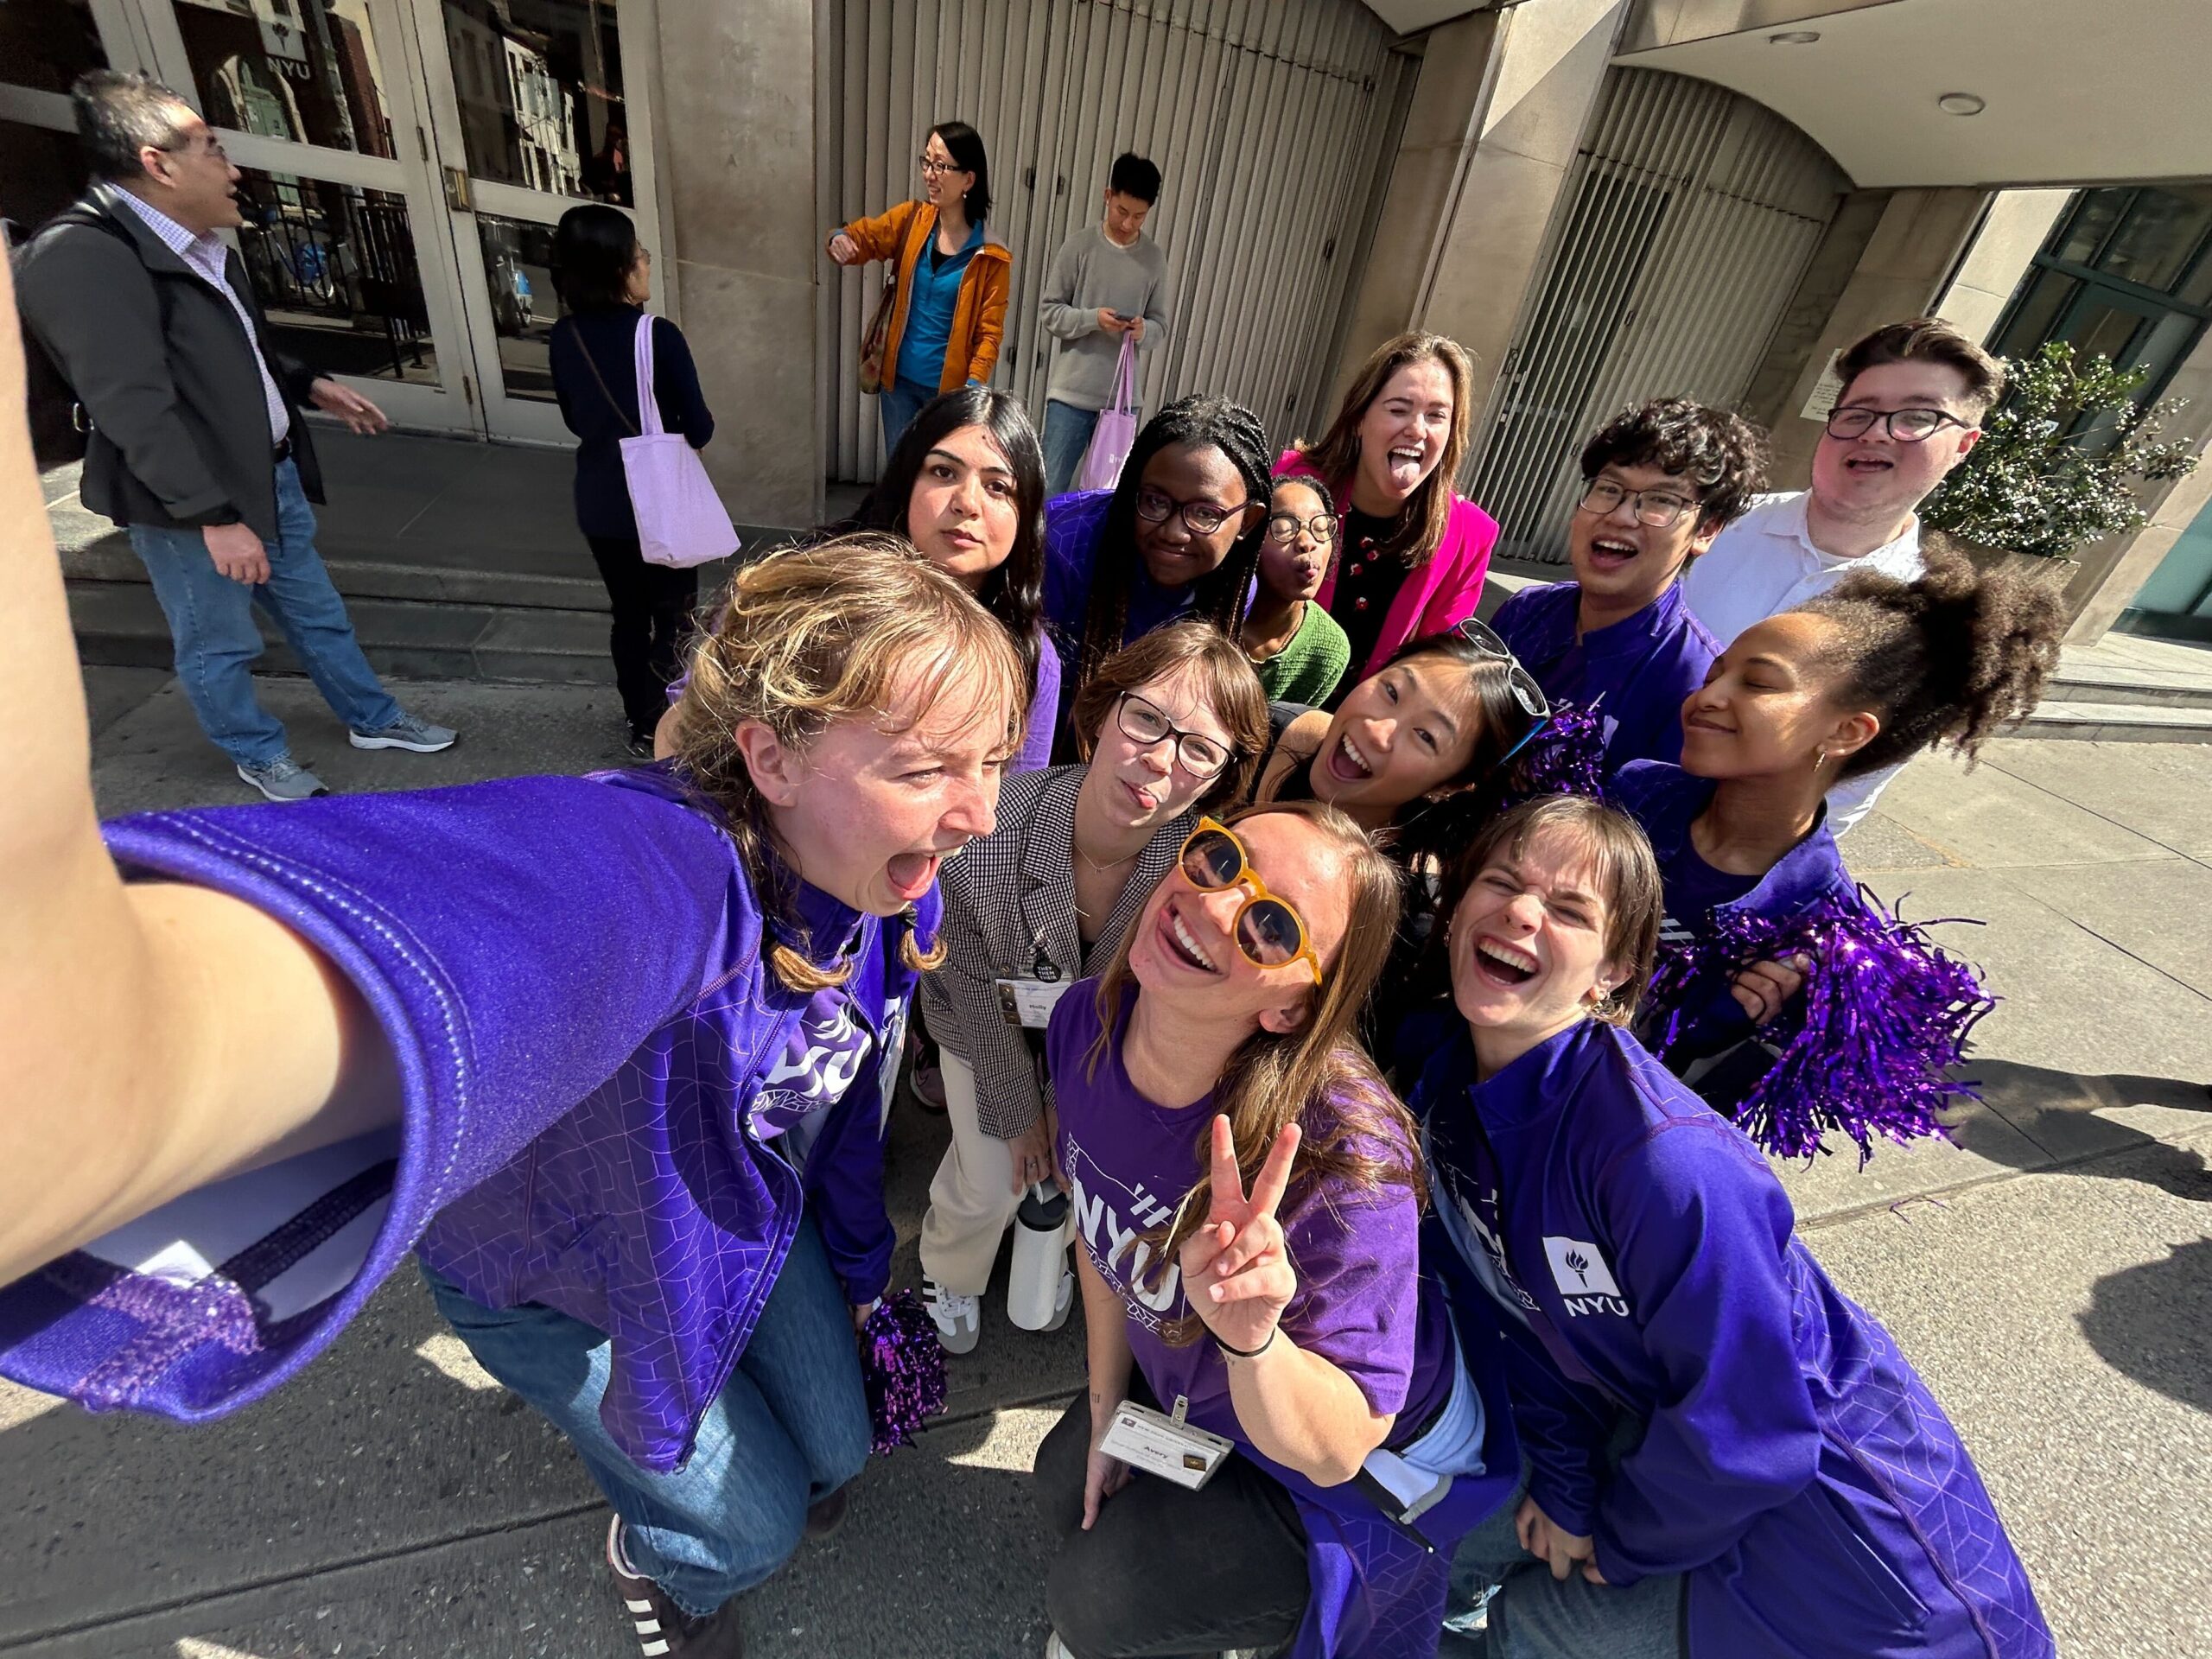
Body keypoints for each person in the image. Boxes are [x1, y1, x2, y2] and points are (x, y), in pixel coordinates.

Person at [0, 299, 1027, 1659]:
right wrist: (111, 1069)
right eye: (927, 767)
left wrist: (848, 1263)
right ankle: (658, 1556)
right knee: (749, 1532)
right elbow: (496, 918)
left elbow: (838, 1098)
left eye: (992, 765)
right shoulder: (671, 869)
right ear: (771, 758)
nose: (976, 816)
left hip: (720, 1210)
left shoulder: (882, 879)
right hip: (551, 1261)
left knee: (838, 1456)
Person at [1409, 793, 2053, 1659]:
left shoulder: (1664, 1162)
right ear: (1455, 913)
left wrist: (1622, 1541)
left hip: (1853, 1551)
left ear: (1612, 973)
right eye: (1501, 882)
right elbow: (1520, 1320)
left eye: (1569, 909)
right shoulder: (1448, 1096)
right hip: (1675, 1462)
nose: (1521, 912)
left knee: (1538, 1626)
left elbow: (1755, 1435)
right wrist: (1564, 1489)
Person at [1034, 804, 1509, 1659]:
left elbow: (1340, 1445)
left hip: (1353, 1460)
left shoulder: (1341, 1165)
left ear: (1293, 1009)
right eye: (1219, 858)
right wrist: (1107, 1403)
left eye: (1269, 926)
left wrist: (1253, 1341)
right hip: (1201, 1386)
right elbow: (1098, 1227)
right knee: (1058, 1485)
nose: (1212, 906)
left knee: (1097, 1601)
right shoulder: (1086, 1022)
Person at [14, 70, 454, 801]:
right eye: (213, 149)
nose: (234, 168)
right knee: (219, 642)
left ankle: (372, 717)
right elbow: (133, 408)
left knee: (319, 614)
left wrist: (308, 384)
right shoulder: (81, 256)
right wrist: (213, 518)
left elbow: (236, 347)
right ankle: (257, 750)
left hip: (265, 473)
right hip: (194, 504)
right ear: (157, 162)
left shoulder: (200, 242)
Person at [1615, 548, 2063, 1154]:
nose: (1709, 695)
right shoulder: (1632, 791)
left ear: (1846, 731)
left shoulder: (1824, 939)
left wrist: (1705, 1033)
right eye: (1715, 672)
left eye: (1757, 683)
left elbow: (1713, 1117)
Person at [916, 622, 1268, 1354]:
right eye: (1146, 719)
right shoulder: (987, 828)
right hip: (983, 1029)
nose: (1159, 762)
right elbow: (971, 986)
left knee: (1086, 1180)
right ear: (1103, 712)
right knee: (987, 1181)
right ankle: (948, 1266)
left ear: (1219, 777)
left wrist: (1066, 1109)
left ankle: (1069, 1259)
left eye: (1198, 749)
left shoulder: (1205, 872)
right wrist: (1020, 1113)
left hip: (1110, 1048)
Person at [1681, 317, 2003, 833]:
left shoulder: (1932, 623)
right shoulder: (1711, 523)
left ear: (1964, 445)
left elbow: (1847, 795)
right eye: (1859, 413)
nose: (1877, 432)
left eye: (1918, 416)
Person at [1491, 399, 1766, 776]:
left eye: (1660, 500)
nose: (1620, 516)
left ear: (1705, 530)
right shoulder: (1525, 613)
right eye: (1608, 489)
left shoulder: (1695, 683)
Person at [548, 202, 715, 755]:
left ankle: (637, 721)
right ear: (618, 268)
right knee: (673, 616)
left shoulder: (563, 337)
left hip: (599, 499)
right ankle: (666, 723)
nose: (646, 262)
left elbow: (576, 418)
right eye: (638, 254)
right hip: (658, 501)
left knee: (628, 616)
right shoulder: (657, 336)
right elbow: (699, 426)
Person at [1045, 395, 1272, 746]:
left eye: (1205, 514)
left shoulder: (1235, 590)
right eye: (1155, 501)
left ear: (1248, 520)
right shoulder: (1062, 544)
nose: (1174, 532)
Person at [1280, 333, 1497, 687]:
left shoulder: (1471, 536)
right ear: (1359, 419)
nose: (1417, 430)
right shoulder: (1294, 485)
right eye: (1399, 410)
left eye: (1436, 416)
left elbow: (1438, 668)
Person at [828, 121, 1010, 454]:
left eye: (941, 166)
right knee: (901, 477)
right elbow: (864, 237)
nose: (930, 174)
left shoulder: (992, 256)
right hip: (897, 384)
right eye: (927, 162)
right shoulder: (912, 220)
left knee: (936, 479)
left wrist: (972, 387)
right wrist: (839, 238)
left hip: (948, 393)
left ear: (968, 179)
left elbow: (989, 333)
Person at [1038, 151, 1173, 497]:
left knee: (1107, 496)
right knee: (1050, 489)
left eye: (1139, 216)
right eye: (1122, 211)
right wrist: (1091, 319)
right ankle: (1040, 551)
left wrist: (1144, 331)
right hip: (1070, 396)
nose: (1128, 223)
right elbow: (1050, 311)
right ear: (1107, 195)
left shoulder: (1154, 259)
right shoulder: (1080, 246)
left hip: (1123, 402)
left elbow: (1161, 325)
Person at [1244, 474, 1353, 706]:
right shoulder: (1205, 608)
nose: (1307, 542)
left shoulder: (1329, 649)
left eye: (1321, 527)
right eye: (1284, 528)